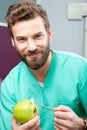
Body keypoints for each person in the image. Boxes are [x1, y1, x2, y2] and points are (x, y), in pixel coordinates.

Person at [0, 0, 87, 130]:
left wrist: (83, 125)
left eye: (37, 36)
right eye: (22, 39)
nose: (31, 47)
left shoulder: (80, 69)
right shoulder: (9, 87)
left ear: (49, 34)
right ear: (13, 42)